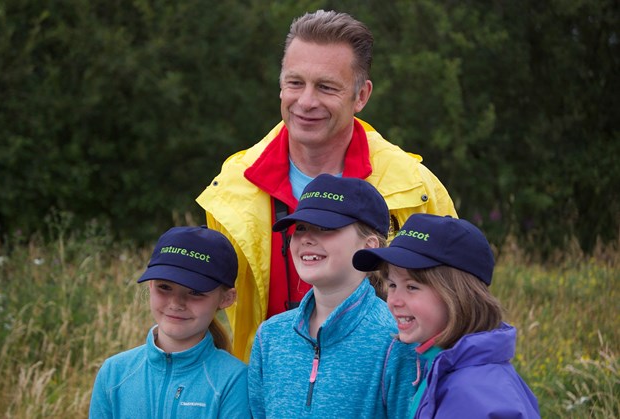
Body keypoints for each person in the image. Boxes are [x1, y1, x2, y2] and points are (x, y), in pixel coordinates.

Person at [196, 9, 458, 361]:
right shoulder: (233, 188)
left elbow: (459, 306)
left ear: (361, 95)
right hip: (269, 395)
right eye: (295, 83)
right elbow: (204, 307)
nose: (306, 102)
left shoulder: (416, 189)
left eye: (326, 87)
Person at [247, 174, 416, 417]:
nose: (305, 238)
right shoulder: (271, 336)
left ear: (369, 247)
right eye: (301, 227)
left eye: (325, 228)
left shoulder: (396, 340)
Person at [352, 214, 541, 418]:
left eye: (412, 287)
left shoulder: (472, 395)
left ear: (457, 295)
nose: (394, 301)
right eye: (392, 285)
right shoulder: (445, 370)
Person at [89, 226, 251, 418]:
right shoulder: (114, 372)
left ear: (226, 298)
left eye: (195, 292)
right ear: (150, 286)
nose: (176, 303)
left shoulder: (235, 381)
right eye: (164, 287)